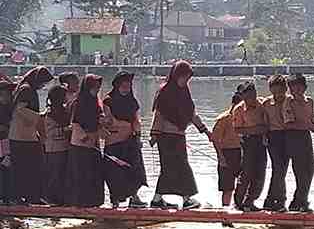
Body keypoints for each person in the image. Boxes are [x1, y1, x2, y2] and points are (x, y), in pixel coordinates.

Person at [150, 60, 211, 210]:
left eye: (188, 78)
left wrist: (205, 131)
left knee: (177, 167)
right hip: (166, 137)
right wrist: (154, 135)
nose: (185, 80)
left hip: (179, 137)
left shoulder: (185, 93)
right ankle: (186, 199)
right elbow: (159, 115)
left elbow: (192, 114)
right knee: (174, 167)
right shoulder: (165, 92)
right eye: (183, 77)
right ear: (176, 75)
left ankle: (158, 199)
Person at [102, 71, 147, 208]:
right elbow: (109, 121)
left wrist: (138, 136)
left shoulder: (132, 102)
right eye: (123, 86)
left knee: (134, 171)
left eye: (129, 86)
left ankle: (134, 198)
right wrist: (123, 125)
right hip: (114, 143)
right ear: (117, 86)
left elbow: (136, 120)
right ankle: (114, 201)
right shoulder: (108, 101)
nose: (126, 89)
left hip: (130, 142)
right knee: (114, 173)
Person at [10, 67, 53, 204]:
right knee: (29, 167)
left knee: (26, 167)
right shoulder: (27, 90)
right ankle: (27, 196)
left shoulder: (24, 88)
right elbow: (20, 109)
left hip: (22, 135)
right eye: (43, 82)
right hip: (22, 136)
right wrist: (38, 117)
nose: (43, 86)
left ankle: (28, 196)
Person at [282, 73, 314, 212]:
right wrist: (310, 126)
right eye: (292, 88)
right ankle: (299, 202)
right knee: (300, 172)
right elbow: (288, 124)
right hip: (294, 137)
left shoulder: (309, 101)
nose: (296, 90)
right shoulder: (288, 101)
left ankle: (301, 200)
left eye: (298, 87)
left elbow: (311, 122)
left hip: (306, 136)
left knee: (310, 170)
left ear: (305, 87)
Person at [67, 74, 105, 207]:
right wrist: (84, 137)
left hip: (93, 143)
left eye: (98, 87)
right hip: (80, 144)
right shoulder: (78, 103)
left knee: (95, 173)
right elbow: (74, 123)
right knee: (81, 174)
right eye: (95, 87)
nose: (97, 90)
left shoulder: (96, 103)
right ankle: (80, 203)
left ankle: (94, 202)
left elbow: (98, 119)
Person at [230, 81, 268, 211]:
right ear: (243, 97)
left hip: (261, 142)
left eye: (253, 96)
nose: (251, 100)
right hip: (248, 141)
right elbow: (237, 129)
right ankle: (238, 202)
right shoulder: (239, 109)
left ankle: (250, 201)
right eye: (248, 97)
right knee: (247, 172)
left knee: (260, 172)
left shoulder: (262, 104)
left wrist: (261, 130)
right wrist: (255, 129)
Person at [211, 86, 244, 210]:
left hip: (241, 152)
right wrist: (220, 157)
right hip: (227, 153)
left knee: (243, 182)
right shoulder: (224, 118)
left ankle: (239, 206)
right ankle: (225, 210)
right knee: (227, 187)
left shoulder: (245, 117)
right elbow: (215, 139)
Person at [261, 75, 290, 212]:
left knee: (281, 170)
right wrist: (264, 136)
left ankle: (270, 200)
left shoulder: (290, 101)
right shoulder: (266, 103)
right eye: (275, 91)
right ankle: (280, 200)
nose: (278, 94)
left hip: (288, 136)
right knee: (278, 169)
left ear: (286, 89)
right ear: (270, 90)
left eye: (281, 91)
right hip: (274, 137)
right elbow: (264, 122)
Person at [0, 77, 14, 205]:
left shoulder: (9, 108)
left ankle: (6, 197)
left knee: (6, 170)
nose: (8, 96)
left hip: (7, 143)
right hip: (3, 142)